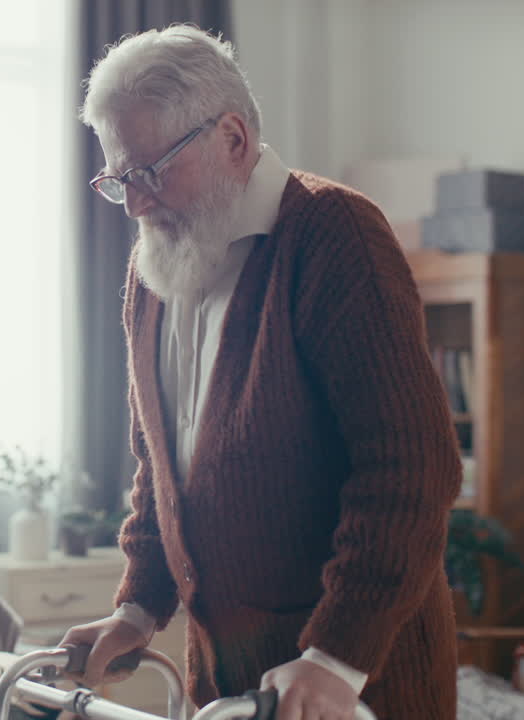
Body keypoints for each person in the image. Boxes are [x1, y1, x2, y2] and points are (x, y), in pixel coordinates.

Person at [60, 25, 461, 720]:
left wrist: (335, 658)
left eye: (150, 172)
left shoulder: (335, 235)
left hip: (357, 683)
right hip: (230, 684)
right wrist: (136, 610)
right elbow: (160, 471)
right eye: (118, 179)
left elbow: (413, 467)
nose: (136, 204)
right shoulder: (153, 268)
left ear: (234, 139)